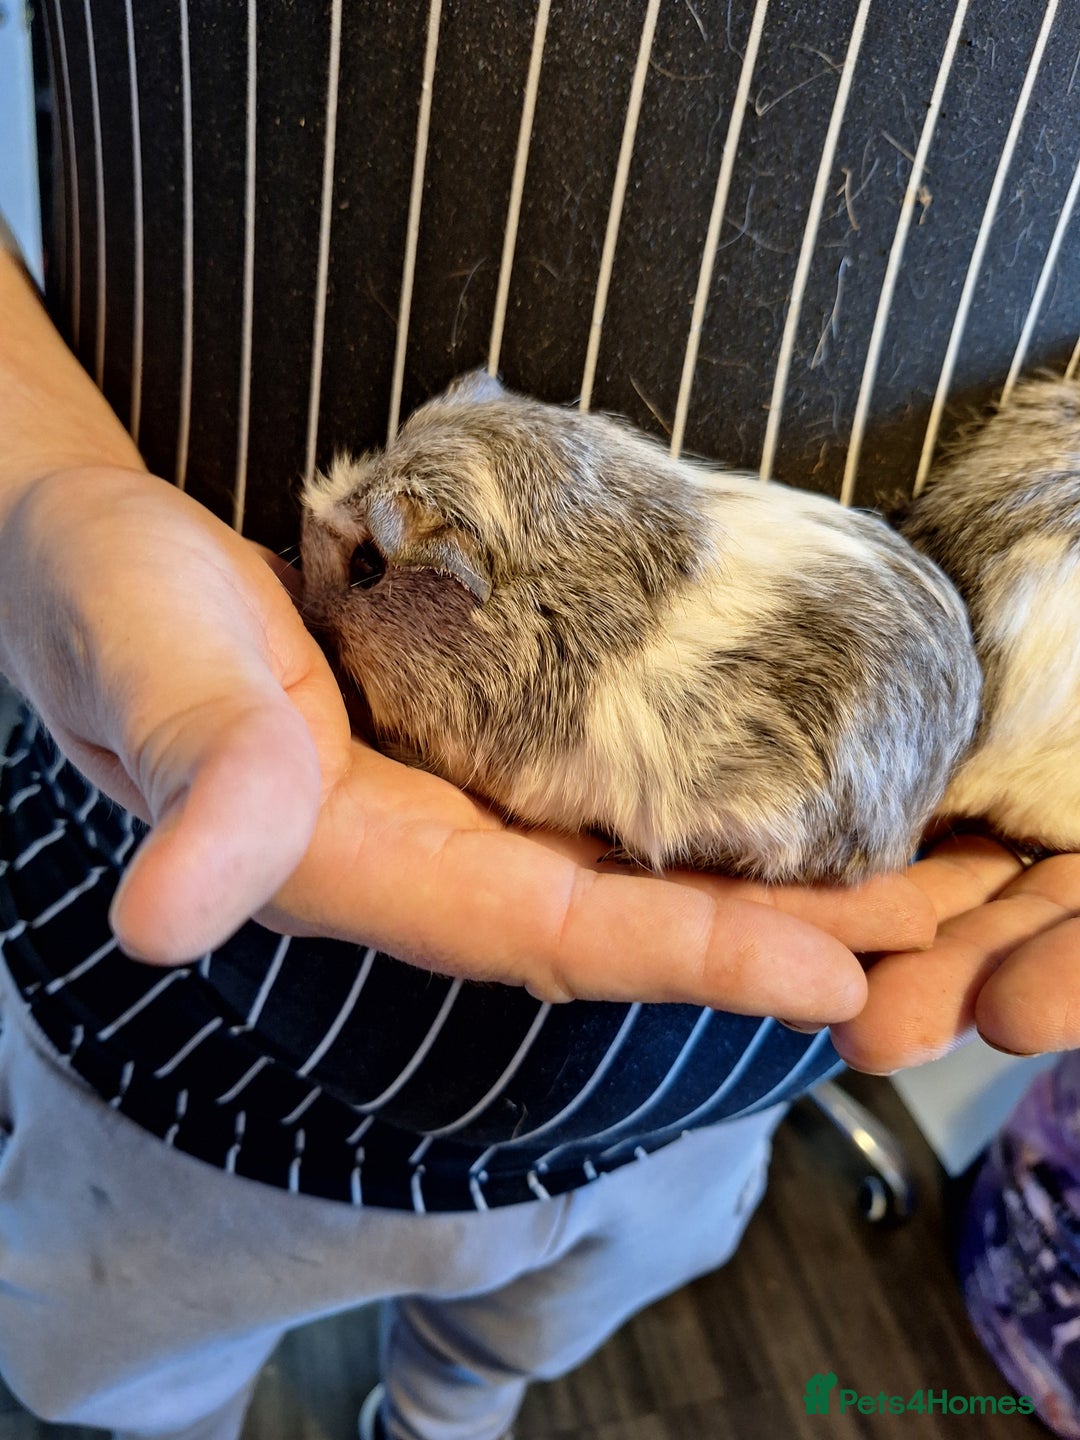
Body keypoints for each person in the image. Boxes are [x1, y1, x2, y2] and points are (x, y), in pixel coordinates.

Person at [1, 2, 1079, 1437]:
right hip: (179, 989)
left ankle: (446, 1413)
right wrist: (34, 479)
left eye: (370, 565)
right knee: (135, 1372)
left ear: (472, 593)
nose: (320, 556)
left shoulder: (554, 686)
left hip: (738, 1048)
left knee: (519, 1345)